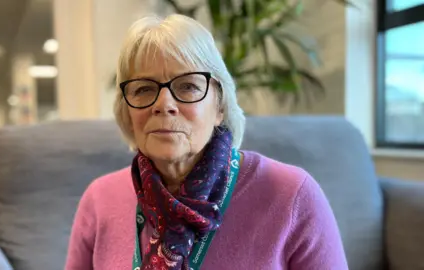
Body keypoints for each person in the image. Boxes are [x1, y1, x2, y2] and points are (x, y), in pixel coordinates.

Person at [65, 14, 348, 270]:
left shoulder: (292, 195)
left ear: (220, 105)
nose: (164, 105)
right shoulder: (99, 200)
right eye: (143, 89)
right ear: (126, 109)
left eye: (187, 86)